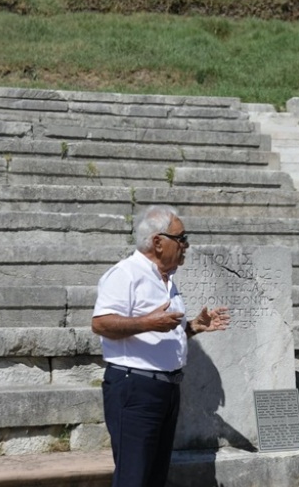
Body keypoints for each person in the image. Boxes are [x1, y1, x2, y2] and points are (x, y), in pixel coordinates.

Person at [92, 205, 230, 487]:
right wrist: (147, 323)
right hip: (135, 388)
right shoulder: (125, 274)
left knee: (154, 476)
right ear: (158, 242)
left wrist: (192, 327)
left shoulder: (166, 280)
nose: (186, 245)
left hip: (165, 389)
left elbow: (163, 332)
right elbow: (101, 324)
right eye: (181, 238)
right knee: (134, 477)